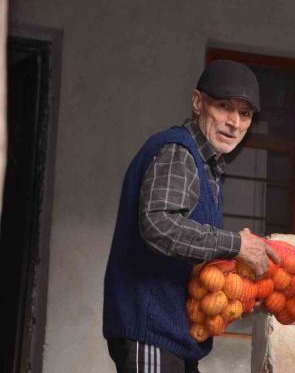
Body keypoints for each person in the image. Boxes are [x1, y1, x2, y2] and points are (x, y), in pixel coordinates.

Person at [103, 60, 279, 373]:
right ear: (198, 103)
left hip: (173, 336)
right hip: (153, 330)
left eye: (245, 113)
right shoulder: (178, 151)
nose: (234, 123)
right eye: (224, 106)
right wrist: (236, 245)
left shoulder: (206, 164)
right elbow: (160, 224)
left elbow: (190, 245)